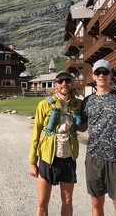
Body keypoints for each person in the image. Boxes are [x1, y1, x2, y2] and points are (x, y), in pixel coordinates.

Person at [79, 59, 116, 216]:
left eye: (105, 72)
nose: (101, 75)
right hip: (93, 159)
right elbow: (82, 126)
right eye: (98, 72)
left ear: (110, 75)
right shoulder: (87, 102)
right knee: (96, 203)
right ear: (93, 76)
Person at [29, 70, 82, 216]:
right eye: (60, 81)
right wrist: (33, 162)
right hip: (48, 157)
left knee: (67, 200)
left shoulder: (79, 104)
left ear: (72, 83)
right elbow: (36, 133)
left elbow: (97, 102)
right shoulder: (44, 105)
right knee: (42, 201)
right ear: (55, 85)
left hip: (69, 158)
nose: (64, 83)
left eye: (67, 80)